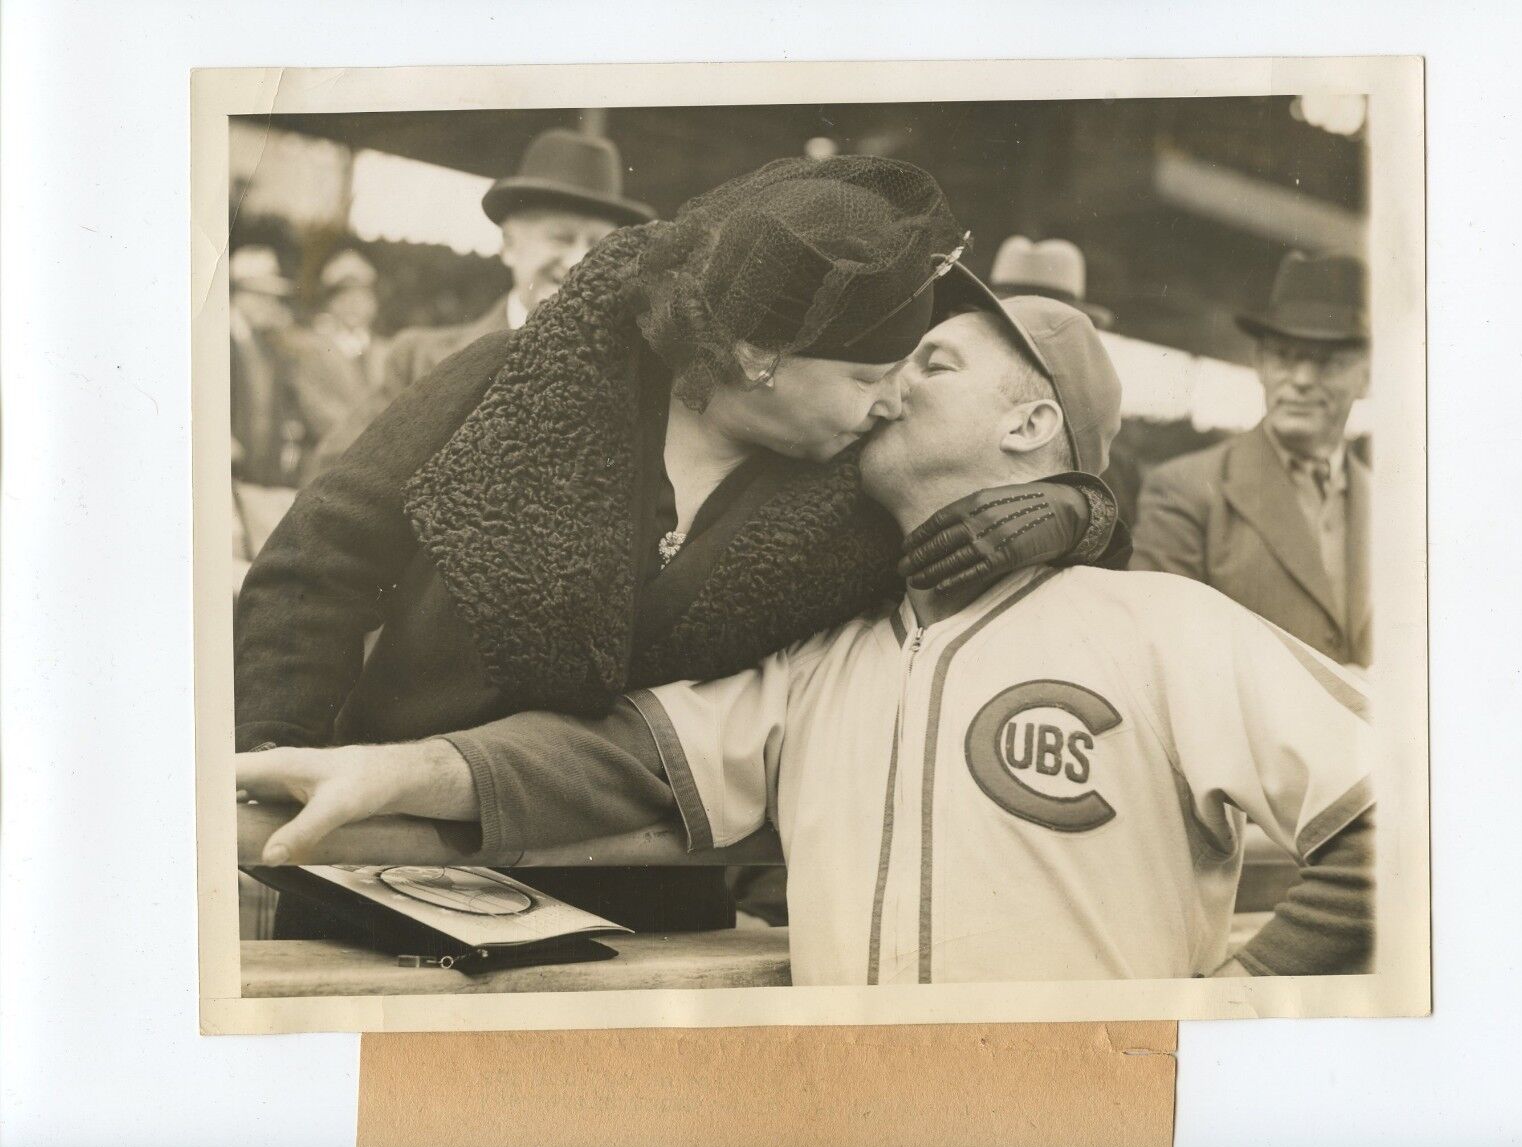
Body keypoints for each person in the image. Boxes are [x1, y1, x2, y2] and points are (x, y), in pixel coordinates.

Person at [239, 281, 1374, 984]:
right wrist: (386, 771)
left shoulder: (1165, 627)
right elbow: (615, 753)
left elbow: (1408, 824)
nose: (883, 388)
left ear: (1032, 423)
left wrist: (1236, 1013)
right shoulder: (819, 645)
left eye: (930, 363)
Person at [234, 155, 1121, 936]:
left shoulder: (853, 490)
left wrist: (1074, 508)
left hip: (642, 910)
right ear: (763, 355)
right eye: (866, 377)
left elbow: (1054, 532)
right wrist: (273, 759)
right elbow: (319, 566)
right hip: (373, 863)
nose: (893, 403)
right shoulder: (521, 381)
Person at [300, 129, 653, 480]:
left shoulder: (635, 377)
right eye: (560, 237)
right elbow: (332, 481)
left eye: (597, 244)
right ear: (509, 245)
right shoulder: (420, 360)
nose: (579, 260)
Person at [1131, 252, 1371, 667]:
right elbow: (1160, 655)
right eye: (1284, 356)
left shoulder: (1403, 509)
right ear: (1259, 364)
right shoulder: (1185, 490)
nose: (1301, 380)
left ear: (1366, 377)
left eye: (1327, 362)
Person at [990, 233, 1143, 524]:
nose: (1029, 349)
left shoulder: (1115, 468)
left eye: (1051, 334)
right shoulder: (946, 427)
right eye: (1010, 331)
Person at [274, 249, 389, 483]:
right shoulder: (311, 350)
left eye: (362, 298)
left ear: (374, 304)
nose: (354, 306)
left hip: (377, 471)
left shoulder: (385, 352)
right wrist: (372, 437)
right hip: (326, 466)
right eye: (344, 299)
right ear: (331, 304)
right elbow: (315, 409)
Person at [229, 245, 301, 487]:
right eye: (261, 295)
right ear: (238, 295)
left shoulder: (263, 342)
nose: (270, 304)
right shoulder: (216, 339)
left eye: (272, 298)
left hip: (257, 471)